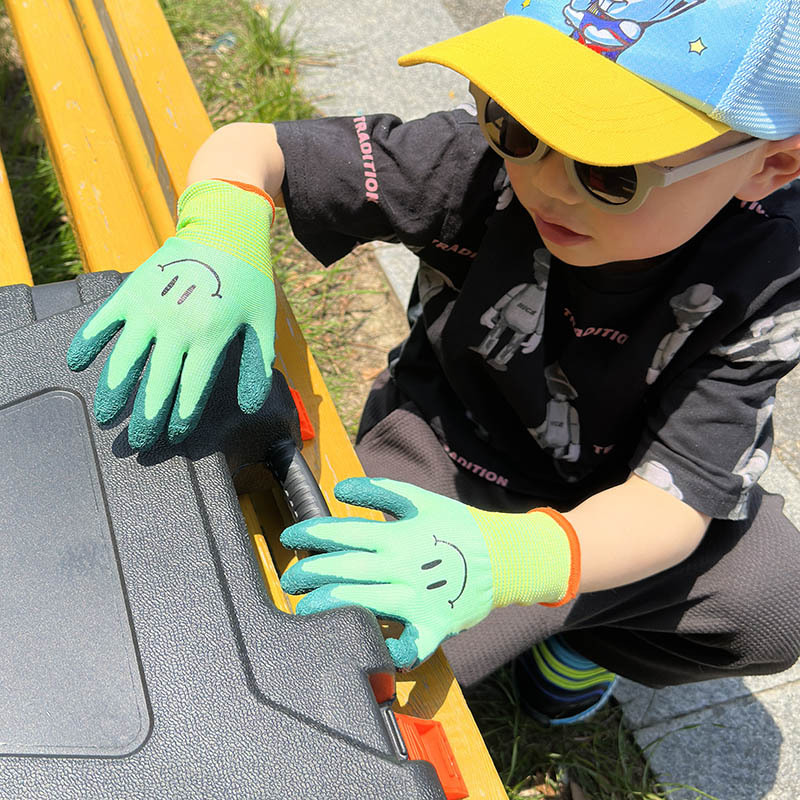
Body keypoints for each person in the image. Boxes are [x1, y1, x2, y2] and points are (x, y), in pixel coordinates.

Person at [68, 0, 800, 726]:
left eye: (609, 169)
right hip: (444, 454)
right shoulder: (477, 168)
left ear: (771, 166)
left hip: (618, 505)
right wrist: (219, 236)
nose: (543, 178)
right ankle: (532, 618)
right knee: (335, 650)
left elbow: (671, 502)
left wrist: (518, 559)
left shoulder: (768, 278)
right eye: (515, 119)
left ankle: (580, 644)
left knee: (772, 600)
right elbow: (253, 147)